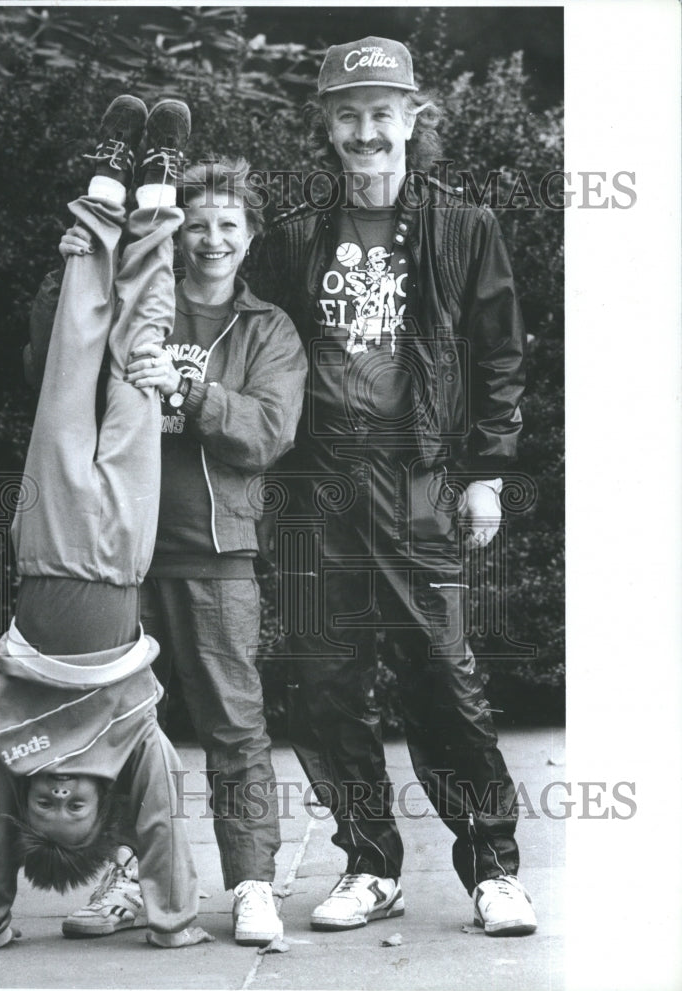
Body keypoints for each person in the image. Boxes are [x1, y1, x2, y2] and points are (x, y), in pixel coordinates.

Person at [249, 36, 538, 937]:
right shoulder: (291, 234)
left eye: (382, 112)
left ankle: (493, 869)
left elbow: (497, 357)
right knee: (320, 682)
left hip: (416, 479)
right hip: (311, 486)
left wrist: (485, 471)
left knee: (441, 678)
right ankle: (369, 866)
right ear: (327, 126)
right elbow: (251, 347)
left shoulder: (464, 225)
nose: (365, 130)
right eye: (347, 114)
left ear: (414, 117)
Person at [26, 158, 307, 945]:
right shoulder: (139, 301)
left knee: (233, 724)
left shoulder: (268, 330)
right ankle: (125, 876)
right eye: (198, 225)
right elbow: (47, 375)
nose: (213, 239)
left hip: (216, 554)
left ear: (249, 238)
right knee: (115, 722)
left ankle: (251, 885)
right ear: (174, 235)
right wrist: (70, 278)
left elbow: (267, 433)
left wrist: (186, 392)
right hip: (116, 550)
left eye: (229, 225)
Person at [0, 95, 212, 951]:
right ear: (102, 805)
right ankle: (156, 204)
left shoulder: (14, 744)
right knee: (143, 363)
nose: (60, 795)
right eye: (76, 807)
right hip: (124, 550)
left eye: (48, 806)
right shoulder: (130, 747)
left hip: (51, 536)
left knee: (73, 358)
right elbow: (160, 825)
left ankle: (106, 190)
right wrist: (172, 922)